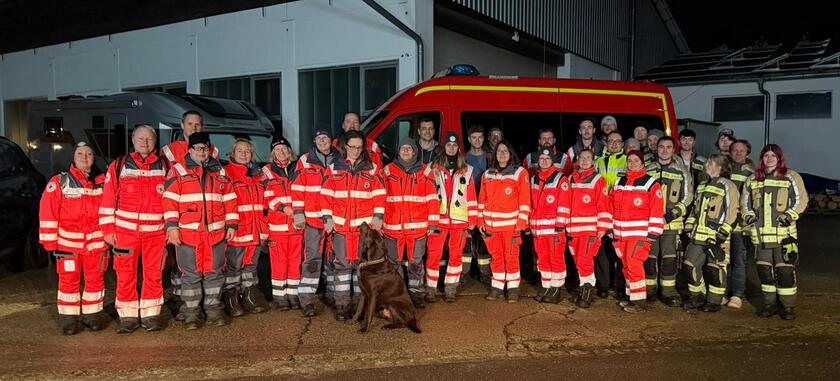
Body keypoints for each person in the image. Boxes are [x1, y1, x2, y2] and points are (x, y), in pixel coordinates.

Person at [162, 132, 239, 330]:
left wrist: (232, 225)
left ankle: (214, 312)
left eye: (205, 148)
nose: (202, 152)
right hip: (188, 235)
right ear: (190, 150)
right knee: (190, 275)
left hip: (215, 235)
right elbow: (169, 201)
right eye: (198, 148)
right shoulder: (178, 170)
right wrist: (172, 227)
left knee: (214, 274)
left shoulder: (219, 171)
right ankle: (191, 315)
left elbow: (230, 199)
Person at [100, 125, 170, 334]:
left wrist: (170, 227)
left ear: (155, 141)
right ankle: (128, 317)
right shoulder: (119, 165)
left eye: (149, 139)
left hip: (156, 233)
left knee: (154, 274)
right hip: (125, 232)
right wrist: (107, 229)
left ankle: (150, 316)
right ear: (133, 139)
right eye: (140, 138)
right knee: (125, 273)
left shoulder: (165, 165)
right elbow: (108, 198)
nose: (144, 142)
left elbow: (172, 199)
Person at [39, 142, 108, 335]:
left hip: (96, 245)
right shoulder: (60, 182)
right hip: (67, 246)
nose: (84, 157)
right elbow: (48, 213)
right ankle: (68, 320)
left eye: (89, 154)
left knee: (95, 281)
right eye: (80, 154)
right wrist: (50, 243)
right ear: (73, 157)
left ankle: (92, 316)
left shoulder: (103, 182)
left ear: (94, 158)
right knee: (69, 283)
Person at [320, 130, 386, 321]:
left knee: (361, 267)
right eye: (352, 147)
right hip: (340, 228)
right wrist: (327, 219)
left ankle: (359, 305)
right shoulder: (333, 168)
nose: (355, 151)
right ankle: (342, 306)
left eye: (359, 147)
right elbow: (325, 196)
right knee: (341, 267)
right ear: (345, 147)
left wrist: (378, 217)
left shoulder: (372, 169)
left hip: (363, 230)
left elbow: (379, 195)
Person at [161, 110, 219, 315]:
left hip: (203, 221)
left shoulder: (213, 151)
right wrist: (172, 223)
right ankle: (181, 301)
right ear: (182, 125)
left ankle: (200, 304)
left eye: (198, 124)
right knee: (179, 264)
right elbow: (165, 184)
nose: (194, 127)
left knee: (203, 265)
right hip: (179, 217)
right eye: (190, 123)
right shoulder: (169, 151)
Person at [742, 144, 808, 320]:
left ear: (779, 158)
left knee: (785, 272)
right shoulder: (752, 180)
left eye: (773, 155)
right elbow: (745, 203)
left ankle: (787, 307)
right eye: (766, 155)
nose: (769, 158)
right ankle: (769, 304)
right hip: (761, 237)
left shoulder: (791, 176)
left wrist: (789, 216)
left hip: (784, 236)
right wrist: (749, 217)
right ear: (761, 159)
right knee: (764, 271)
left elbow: (801, 200)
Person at [381, 137, 439, 308]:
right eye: (403, 148)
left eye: (409, 148)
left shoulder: (425, 171)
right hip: (392, 227)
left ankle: (416, 294)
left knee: (415, 263)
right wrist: (379, 222)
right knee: (394, 263)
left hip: (418, 227)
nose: (406, 151)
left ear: (415, 151)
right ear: (398, 151)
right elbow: (380, 198)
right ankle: (397, 295)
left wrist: (432, 224)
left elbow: (432, 199)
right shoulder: (387, 171)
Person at [682, 154, 739, 312]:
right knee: (689, 266)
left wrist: (723, 232)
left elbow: (733, 210)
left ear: (720, 167)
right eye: (708, 161)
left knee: (715, 269)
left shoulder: (728, 185)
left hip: (716, 237)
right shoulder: (702, 185)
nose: (707, 164)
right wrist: (688, 227)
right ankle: (697, 297)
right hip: (697, 235)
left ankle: (714, 301)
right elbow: (695, 210)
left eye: (711, 162)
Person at [609, 150, 664, 313]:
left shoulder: (650, 183)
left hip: (639, 235)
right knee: (626, 265)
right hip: (620, 234)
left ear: (642, 163)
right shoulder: (620, 181)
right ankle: (631, 295)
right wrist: (611, 228)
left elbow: (656, 209)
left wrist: (653, 233)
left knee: (634, 265)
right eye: (630, 160)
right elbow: (612, 206)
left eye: (636, 161)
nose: (632, 163)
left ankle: (639, 301)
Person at [293, 129, 340, 317]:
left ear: (331, 140)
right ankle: (306, 300)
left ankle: (333, 295)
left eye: (325, 138)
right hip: (313, 219)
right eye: (319, 138)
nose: (322, 141)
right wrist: (298, 213)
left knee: (334, 259)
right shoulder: (304, 160)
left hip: (335, 219)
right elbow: (297, 188)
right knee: (312, 260)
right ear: (315, 140)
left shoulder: (340, 159)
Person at [428, 132, 478, 302]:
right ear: (444, 147)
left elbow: (471, 197)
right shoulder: (432, 168)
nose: (451, 148)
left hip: (459, 221)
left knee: (455, 256)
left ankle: (450, 289)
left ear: (458, 148)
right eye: (448, 145)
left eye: (454, 145)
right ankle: (430, 289)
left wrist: (472, 222)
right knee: (434, 254)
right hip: (438, 220)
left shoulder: (467, 170)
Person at [478, 140, 530, 302]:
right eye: (499, 151)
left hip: (511, 226)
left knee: (511, 257)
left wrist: (521, 224)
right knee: (496, 257)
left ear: (511, 154)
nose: (502, 154)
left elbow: (525, 200)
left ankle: (513, 288)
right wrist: (480, 221)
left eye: (505, 151)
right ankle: (497, 287)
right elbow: (482, 199)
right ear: (495, 155)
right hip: (491, 226)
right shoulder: (488, 174)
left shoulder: (520, 173)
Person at [644, 136, 693, 307]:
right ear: (656, 149)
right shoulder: (648, 169)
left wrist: (672, 214)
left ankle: (668, 291)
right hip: (649, 223)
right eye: (661, 147)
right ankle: (649, 289)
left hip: (671, 224)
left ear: (674, 149)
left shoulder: (682, 172)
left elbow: (688, 197)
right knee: (649, 257)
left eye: (668, 147)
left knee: (669, 257)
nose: (664, 150)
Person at [223, 139, 268, 317]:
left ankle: (248, 297)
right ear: (232, 153)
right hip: (238, 230)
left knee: (250, 268)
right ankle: (231, 300)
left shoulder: (258, 175)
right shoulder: (227, 173)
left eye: (247, 151)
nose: (243, 154)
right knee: (234, 268)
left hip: (256, 230)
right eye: (240, 150)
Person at [262, 137, 304, 311]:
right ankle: (280, 297)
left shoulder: (299, 168)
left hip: (297, 226)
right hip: (278, 227)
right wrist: (282, 208)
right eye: (278, 150)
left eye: (284, 148)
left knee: (295, 261)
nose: (282, 152)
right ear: (273, 153)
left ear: (290, 151)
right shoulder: (267, 171)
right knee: (279, 263)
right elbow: (266, 197)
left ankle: (293, 295)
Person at [567, 149, 612, 308]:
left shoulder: (598, 179)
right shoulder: (571, 178)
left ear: (593, 161)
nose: (585, 160)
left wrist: (602, 228)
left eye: (588, 158)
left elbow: (604, 205)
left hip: (590, 229)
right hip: (573, 229)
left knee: (585, 260)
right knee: (578, 260)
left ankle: (587, 293)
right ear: (578, 160)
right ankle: (583, 287)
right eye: (582, 158)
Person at [529, 147, 571, 304]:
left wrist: (560, 224)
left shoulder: (561, 179)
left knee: (556, 258)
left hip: (554, 229)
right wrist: (529, 224)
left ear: (552, 160)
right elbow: (531, 204)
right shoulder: (534, 179)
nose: (544, 161)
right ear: (538, 161)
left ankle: (556, 289)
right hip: (538, 230)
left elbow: (564, 204)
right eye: (541, 159)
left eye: (547, 159)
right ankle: (546, 286)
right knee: (542, 259)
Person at [594, 131, 627, 299]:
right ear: (606, 143)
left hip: (620, 212)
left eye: (617, 141)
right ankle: (604, 285)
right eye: (611, 141)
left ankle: (620, 286)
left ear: (622, 144)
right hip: (600, 211)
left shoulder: (628, 161)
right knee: (602, 251)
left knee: (620, 251)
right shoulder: (598, 161)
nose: (614, 144)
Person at [725, 139, 755, 309]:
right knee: (722, 260)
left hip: (740, 227)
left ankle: (737, 294)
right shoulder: (725, 170)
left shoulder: (751, 174)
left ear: (747, 153)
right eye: (734, 150)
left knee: (738, 261)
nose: (737, 153)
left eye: (741, 150)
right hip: (723, 224)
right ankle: (723, 292)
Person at [464, 126, 494, 285]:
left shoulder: (490, 157)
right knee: (466, 242)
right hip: (466, 206)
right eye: (473, 137)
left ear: (484, 139)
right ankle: (464, 275)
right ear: (469, 139)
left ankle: (485, 275)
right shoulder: (463, 158)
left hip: (485, 206)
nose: (477, 140)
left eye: (480, 137)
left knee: (484, 241)